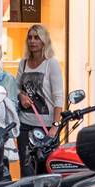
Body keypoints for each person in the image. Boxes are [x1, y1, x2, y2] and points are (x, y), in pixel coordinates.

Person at [17, 24, 64, 171]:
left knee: (45, 170)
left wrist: (55, 127)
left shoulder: (51, 64)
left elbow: (58, 97)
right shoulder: (23, 63)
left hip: (46, 127)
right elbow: (15, 87)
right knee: (26, 169)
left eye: (36, 37)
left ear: (44, 41)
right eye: (30, 38)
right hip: (24, 125)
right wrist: (20, 96)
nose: (32, 41)